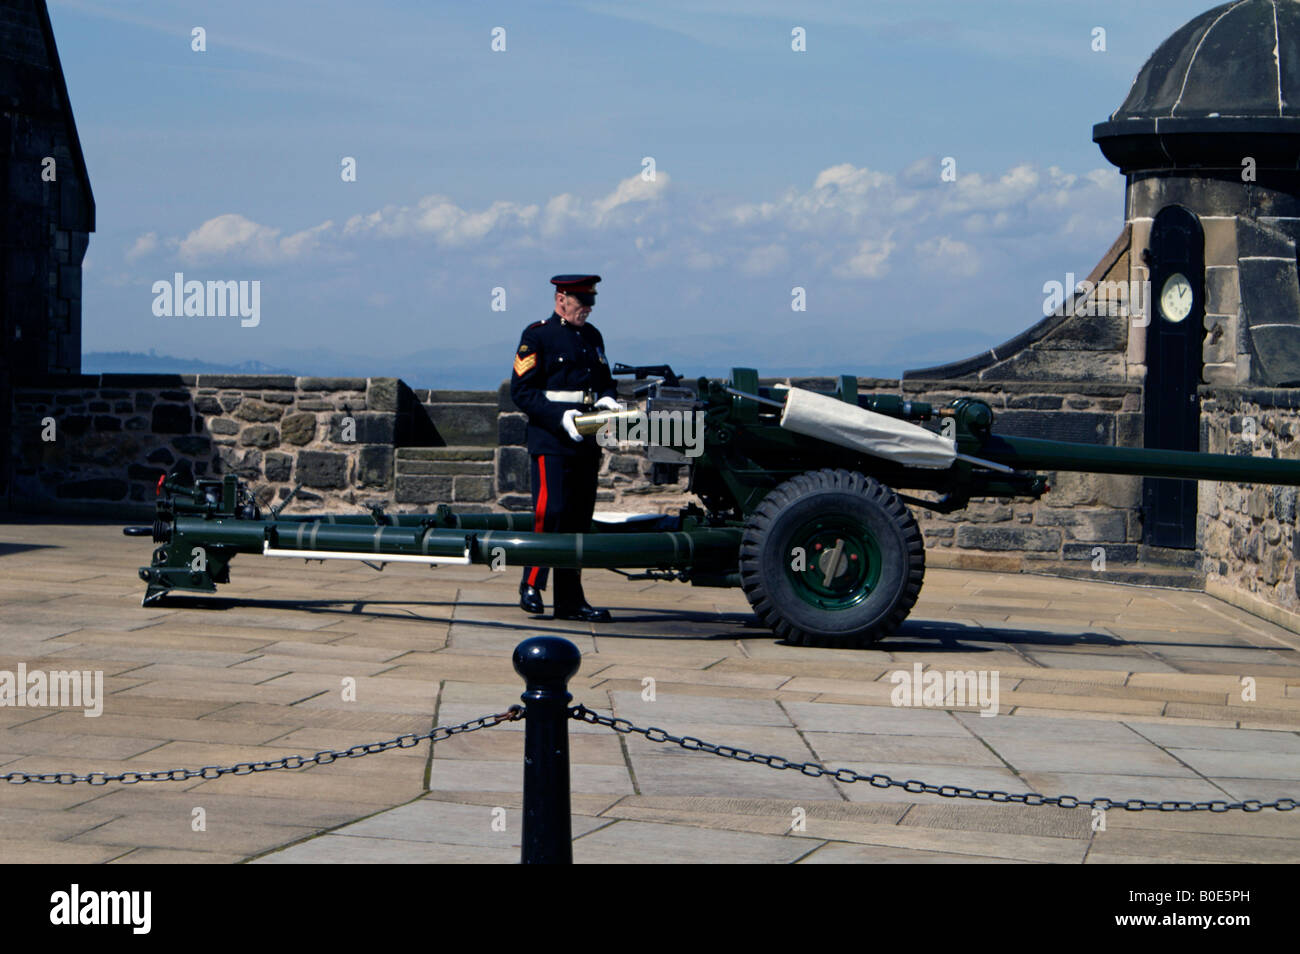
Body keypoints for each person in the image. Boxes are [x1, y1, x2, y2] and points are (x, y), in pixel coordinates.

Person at [510, 274, 622, 622]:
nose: (587, 309)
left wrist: (607, 400)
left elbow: (604, 382)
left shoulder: (592, 337)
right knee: (551, 512)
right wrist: (561, 417)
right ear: (562, 299)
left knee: (577, 521)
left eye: (591, 302)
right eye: (580, 302)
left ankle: (570, 599)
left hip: (586, 439)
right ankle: (531, 583)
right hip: (552, 440)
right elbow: (523, 392)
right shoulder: (538, 335)